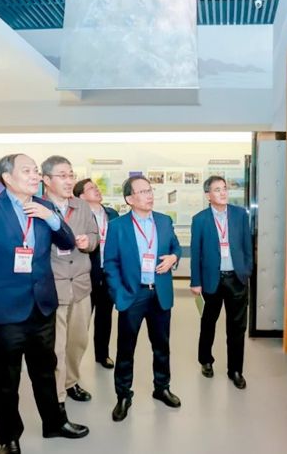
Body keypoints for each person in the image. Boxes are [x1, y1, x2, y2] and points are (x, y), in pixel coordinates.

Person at [0, 154, 88, 454]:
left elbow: (67, 242)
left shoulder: (45, 207)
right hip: (6, 310)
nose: (35, 176)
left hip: (42, 305)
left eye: (36, 170)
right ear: (7, 177)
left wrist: (52, 219)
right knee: (7, 378)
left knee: (46, 370)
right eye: (27, 170)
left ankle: (54, 423)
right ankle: (8, 437)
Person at [103, 175, 182, 422]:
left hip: (160, 293)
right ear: (129, 199)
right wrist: (119, 294)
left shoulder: (164, 221)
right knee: (126, 349)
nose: (149, 195)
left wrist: (174, 258)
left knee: (162, 346)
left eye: (150, 190)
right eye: (142, 191)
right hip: (132, 294)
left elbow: (175, 247)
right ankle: (123, 395)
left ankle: (162, 388)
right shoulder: (117, 226)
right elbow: (110, 264)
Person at [41, 156, 98, 412]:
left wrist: (89, 241)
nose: (68, 181)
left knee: (78, 341)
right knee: (57, 346)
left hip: (81, 287)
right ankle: (57, 395)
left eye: (71, 175)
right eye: (62, 176)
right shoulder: (37, 208)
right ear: (46, 179)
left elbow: (94, 235)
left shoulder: (81, 206)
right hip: (55, 287)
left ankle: (71, 381)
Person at [190, 176, 253, 389]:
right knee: (208, 322)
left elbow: (247, 245)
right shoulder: (200, 219)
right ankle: (206, 360)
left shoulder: (240, 214)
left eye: (224, 188)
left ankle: (235, 370)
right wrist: (196, 281)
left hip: (237, 279)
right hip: (211, 280)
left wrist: (247, 270)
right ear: (208, 195)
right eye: (217, 189)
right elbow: (196, 253)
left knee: (237, 327)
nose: (223, 192)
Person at [73, 178, 120, 370]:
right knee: (81, 320)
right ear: (81, 196)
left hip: (108, 273)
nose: (97, 190)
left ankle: (102, 354)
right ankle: (74, 360)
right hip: (86, 274)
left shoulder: (112, 214)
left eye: (96, 187)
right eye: (91, 188)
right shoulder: (78, 216)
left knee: (105, 316)